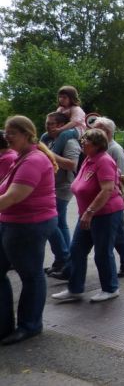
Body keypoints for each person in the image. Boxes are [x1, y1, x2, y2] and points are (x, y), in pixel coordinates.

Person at [0, 116, 58, 345]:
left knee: (31, 276)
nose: (6, 136)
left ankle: (30, 325)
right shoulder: (20, 158)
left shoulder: (33, 160)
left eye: (11, 132)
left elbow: (15, 196)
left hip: (29, 225)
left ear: (25, 134)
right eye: (6, 132)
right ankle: (4, 325)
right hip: (12, 223)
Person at [51, 128, 124, 304]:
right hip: (86, 214)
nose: (82, 143)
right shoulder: (88, 159)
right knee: (76, 250)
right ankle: (75, 289)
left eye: (86, 141)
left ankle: (110, 288)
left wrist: (90, 212)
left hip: (104, 214)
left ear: (97, 145)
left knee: (102, 253)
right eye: (82, 140)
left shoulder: (104, 161)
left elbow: (107, 189)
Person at [92, 117, 124, 278]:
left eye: (97, 129)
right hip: (104, 199)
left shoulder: (114, 150)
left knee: (117, 233)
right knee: (119, 233)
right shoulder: (101, 149)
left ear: (108, 132)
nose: (92, 132)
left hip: (111, 200)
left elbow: (121, 176)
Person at [42, 112, 81, 280]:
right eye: (47, 123)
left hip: (63, 186)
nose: (48, 126)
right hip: (49, 185)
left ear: (61, 125)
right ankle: (63, 261)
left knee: (53, 224)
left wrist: (48, 154)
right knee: (59, 223)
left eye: (51, 123)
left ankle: (64, 259)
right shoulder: (48, 139)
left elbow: (72, 164)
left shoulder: (70, 141)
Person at [44, 86, 87, 155]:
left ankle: (54, 153)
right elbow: (56, 119)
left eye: (64, 97)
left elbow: (73, 123)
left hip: (77, 130)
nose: (61, 99)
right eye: (60, 97)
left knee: (64, 135)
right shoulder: (60, 109)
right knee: (45, 135)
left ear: (71, 98)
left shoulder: (76, 109)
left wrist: (60, 129)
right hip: (63, 128)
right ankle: (38, 150)